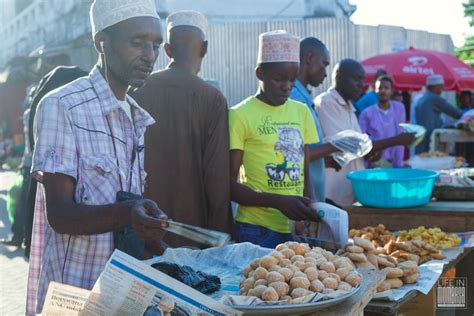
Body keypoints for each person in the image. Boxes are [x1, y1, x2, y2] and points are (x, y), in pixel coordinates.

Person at [26, 1, 168, 314]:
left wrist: (146, 228)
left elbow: (121, 206)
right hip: (74, 293)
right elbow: (60, 215)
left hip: (121, 292)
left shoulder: (134, 116)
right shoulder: (63, 106)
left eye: (156, 45)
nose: (150, 56)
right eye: (137, 42)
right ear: (101, 42)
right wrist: (128, 212)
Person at [130, 11, 232, 248]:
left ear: (167, 49)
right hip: (194, 233)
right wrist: (221, 238)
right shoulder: (213, 98)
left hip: (144, 224)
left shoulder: (137, 91)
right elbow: (217, 179)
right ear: (204, 49)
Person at [229, 30, 320, 248]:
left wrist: (313, 206)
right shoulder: (239, 114)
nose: (287, 86)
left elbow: (304, 169)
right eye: (279, 79)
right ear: (260, 73)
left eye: (292, 79)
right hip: (256, 230)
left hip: (296, 228)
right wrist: (277, 201)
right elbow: (228, 185)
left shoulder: (301, 111)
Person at [315, 59, 414, 206]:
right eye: (357, 79)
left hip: (349, 194)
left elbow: (357, 148)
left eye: (363, 80)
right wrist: (397, 140)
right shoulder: (326, 102)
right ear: (339, 77)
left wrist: (369, 154)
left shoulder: (350, 107)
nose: (362, 85)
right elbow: (348, 144)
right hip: (332, 195)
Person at [289, 37, 334, 203]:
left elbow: (308, 148)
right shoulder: (293, 97)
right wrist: (335, 146)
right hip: (302, 201)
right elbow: (295, 155)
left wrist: (325, 157)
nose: (325, 72)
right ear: (308, 59)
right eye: (324, 63)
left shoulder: (304, 96)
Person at [359, 76, 407, 168]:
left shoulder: (399, 108)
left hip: (393, 163)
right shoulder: (366, 113)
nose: (383, 91)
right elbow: (361, 142)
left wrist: (399, 165)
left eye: (386, 88)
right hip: (374, 164)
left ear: (392, 91)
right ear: (375, 91)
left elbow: (401, 138)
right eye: (379, 88)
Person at [415, 74, 463, 154]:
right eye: (441, 87)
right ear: (435, 87)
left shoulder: (422, 98)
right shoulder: (434, 98)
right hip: (430, 138)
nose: (442, 89)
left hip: (420, 138)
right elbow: (457, 114)